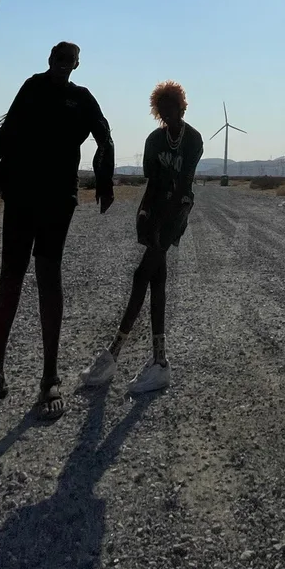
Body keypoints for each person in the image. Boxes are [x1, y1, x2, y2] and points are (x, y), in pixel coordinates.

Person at [0, 41, 114, 419]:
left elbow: (103, 136)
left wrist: (105, 180)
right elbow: (6, 135)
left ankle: (49, 378)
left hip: (58, 199)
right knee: (10, 276)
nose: (62, 67)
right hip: (22, 195)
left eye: (68, 62)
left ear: (77, 65)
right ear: (49, 60)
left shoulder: (82, 98)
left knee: (48, 276)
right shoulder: (32, 88)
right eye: (57, 61)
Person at [80, 81, 203, 394]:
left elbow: (184, 184)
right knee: (156, 280)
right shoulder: (154, 141)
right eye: (160, 110)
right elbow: (153, 183)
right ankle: (159, 362)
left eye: (171, 107)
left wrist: (163, 223)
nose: (166, 114)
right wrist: (145, 214)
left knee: (141, 275)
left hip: (177, 212)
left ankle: (113, 354)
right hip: (157, 209)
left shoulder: (193, 140)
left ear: (181, 107)